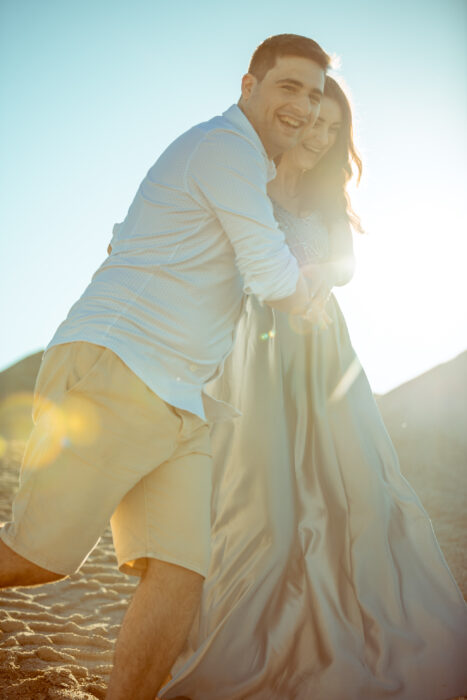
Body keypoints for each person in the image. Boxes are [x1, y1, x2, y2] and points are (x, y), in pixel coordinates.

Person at [0, 35, 332, 700]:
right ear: (248, 85)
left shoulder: (240, 166)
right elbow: (270, 275)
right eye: (287, 87)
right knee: (37, 559)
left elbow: (124, 235)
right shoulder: (224, 148)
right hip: (119, 371)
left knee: (180, 573)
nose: (301, 104)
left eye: (314, 93)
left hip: (181, 397)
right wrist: (313, 294)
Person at [160, 78, 467, 700]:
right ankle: (253, 631)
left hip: (324, 348)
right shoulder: (246, 176)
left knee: (351, 487)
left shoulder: (328, 196)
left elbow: (346, 268)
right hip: (254, 347)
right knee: (260, 494)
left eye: (332, 129)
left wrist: (313, 278)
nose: (319, 136)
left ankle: (346, 621)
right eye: (311, 123)